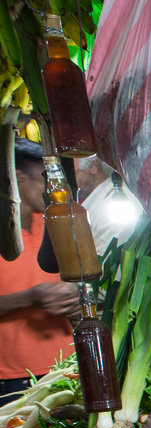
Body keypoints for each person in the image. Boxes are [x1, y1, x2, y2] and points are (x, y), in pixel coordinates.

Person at [0, 141, 77, 403]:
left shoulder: (53, 223)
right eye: (44, 178)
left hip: (64, 370)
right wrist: (30, 298)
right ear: (19, 179)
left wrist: (74, 300)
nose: (52, 188)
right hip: (11, 379)